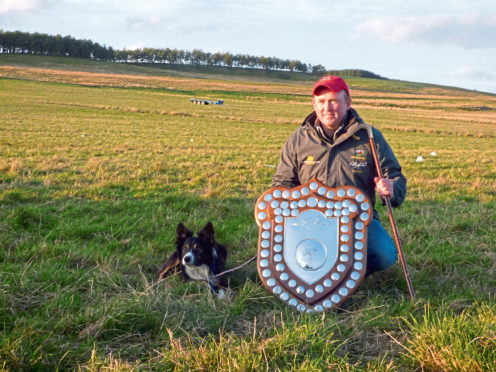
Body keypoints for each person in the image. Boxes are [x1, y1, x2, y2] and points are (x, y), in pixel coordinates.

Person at [272, 75, 407, 275]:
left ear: (348, 102)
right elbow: (282, 182)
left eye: (333, 100)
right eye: (321, 101)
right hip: (309, 221)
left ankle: (346, 274)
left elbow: (395, 175)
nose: (327, 108)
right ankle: (319, 269)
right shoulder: (298, 140)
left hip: (357, 219)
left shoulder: (369, 137)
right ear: (314, 104)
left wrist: (391, 188)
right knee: (280, 255)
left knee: (384, 254)